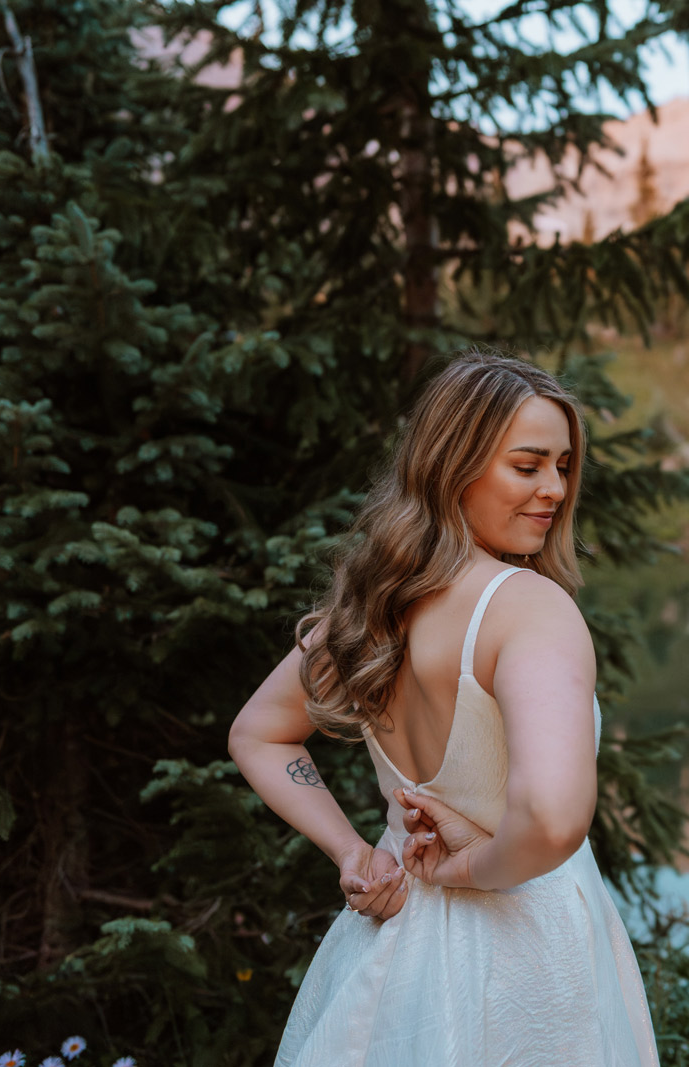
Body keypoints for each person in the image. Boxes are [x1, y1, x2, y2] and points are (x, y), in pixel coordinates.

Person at [227, 351, 661, 1066]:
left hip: (393, 946)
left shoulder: (374, 605)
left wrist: (358, 855)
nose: (553, 488)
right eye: (527, 466)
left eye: (563, 464)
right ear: (452, 466)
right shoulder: (528, 609)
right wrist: (464, 870)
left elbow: (259, 735)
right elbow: (552, 818)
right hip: (527, 961)